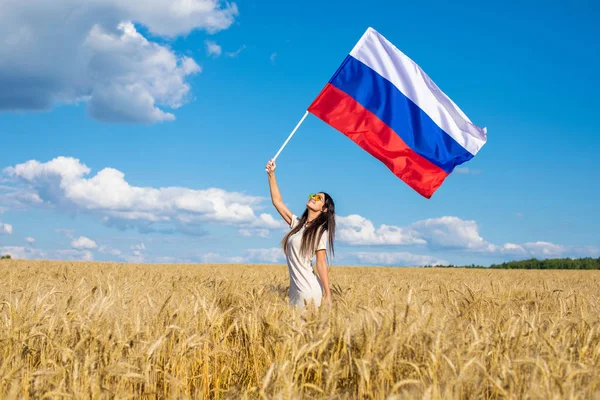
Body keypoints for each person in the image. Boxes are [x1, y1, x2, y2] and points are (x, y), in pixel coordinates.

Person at [265, 159, 336, 308]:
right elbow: (277, 201)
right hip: (294, 291)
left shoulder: (320, 232)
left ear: (324, 209)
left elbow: (321, 263)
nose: (313, 197)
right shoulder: (297, 225)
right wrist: (271, 174)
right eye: (313, 195)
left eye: (318, 198)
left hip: (309, 291)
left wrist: (328, 294)